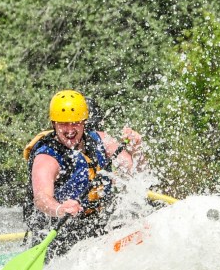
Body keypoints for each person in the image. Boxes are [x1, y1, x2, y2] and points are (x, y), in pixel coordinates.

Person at [23, 89, 145, 259]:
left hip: (97, 222)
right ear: (54, 124)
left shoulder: (101, 140)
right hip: (59, 232)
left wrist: (136, 148)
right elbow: (42, 198)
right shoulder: (46, 158)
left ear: (84, 122)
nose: (70, 130)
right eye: (63, 124)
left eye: (76, 123)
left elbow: (135, 172)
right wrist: (59, 208)